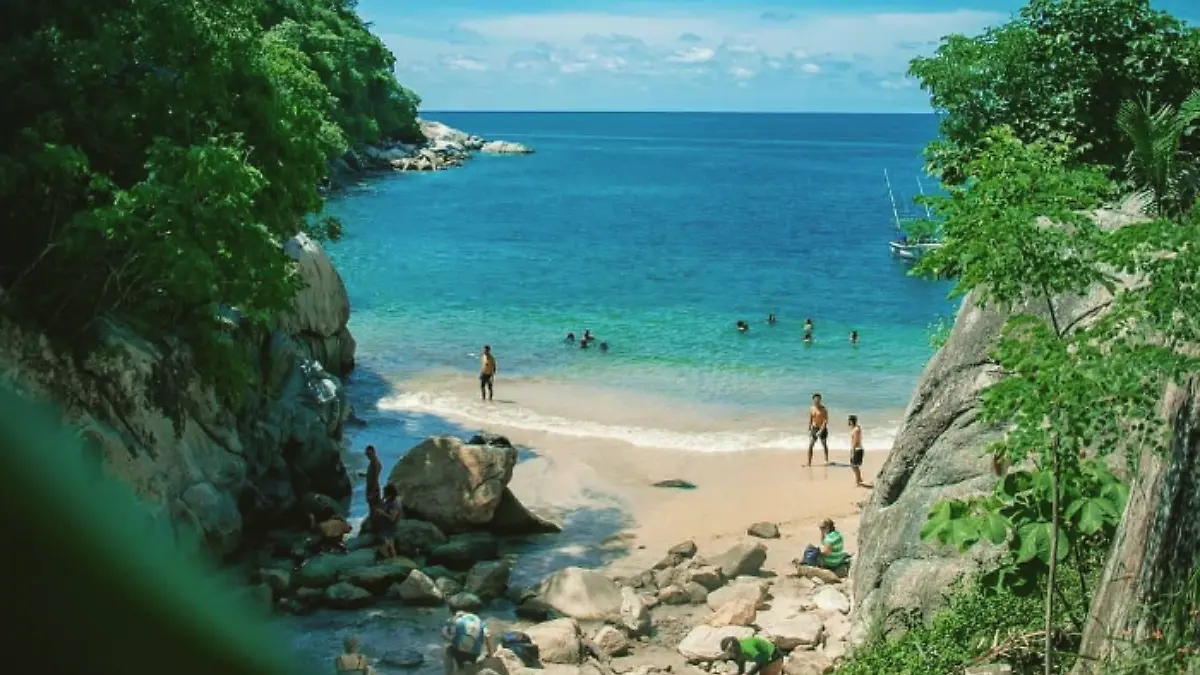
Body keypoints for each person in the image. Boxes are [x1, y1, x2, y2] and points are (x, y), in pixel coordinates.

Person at [442, 611, 495, 675]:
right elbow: (487, 636)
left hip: (459, 652)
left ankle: (450, 672)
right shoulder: (478, 620)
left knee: (447, 649)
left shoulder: (454, 621)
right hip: (475, 653)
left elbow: (445, 635)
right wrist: (490, 654)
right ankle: (472, 666)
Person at [719, 636, 783, 675]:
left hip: (774, 658)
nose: (729, 656)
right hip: (765, 660)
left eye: (730, 652)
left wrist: (749, 673)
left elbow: (761, 663)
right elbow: (741, 671)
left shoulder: (748, 649)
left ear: (735, 648)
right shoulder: (738, 654)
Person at [375, 485, 403, 559]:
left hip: (389, 528)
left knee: (387, 545)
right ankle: (393, 559)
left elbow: (392, 518)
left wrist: (382, 513)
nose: (384, 494)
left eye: (385, 493)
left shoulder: (394, 504)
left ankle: (390, 559)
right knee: (390, 545)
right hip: (385, 528)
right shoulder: (388, 501)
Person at [807, 393, 830, 466]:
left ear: (820, 400)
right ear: (813, 400)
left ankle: (826, 459)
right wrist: (809, 428)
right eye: (815, 399)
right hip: (814, 428)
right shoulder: (811, 408)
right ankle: (809, 462)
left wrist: (821, 431)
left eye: (818, 399)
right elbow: (811, 418)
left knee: (824, 444)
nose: (817, 400)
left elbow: (825, 421)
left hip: (822, 428)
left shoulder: (823, 409)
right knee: (811, 445)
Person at [848, 415, 865, 487]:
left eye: (849, 420)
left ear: (851, 421)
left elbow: (855, 441)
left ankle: (858, 481)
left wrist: (852, 451)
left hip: (857, 449)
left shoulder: (856, 430)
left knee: (854, 466)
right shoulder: (856, 428)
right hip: (858, 449)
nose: (848, 422)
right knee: (854, 466)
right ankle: (859, 479)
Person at [364, 445, 382, 511]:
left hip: (373, 488)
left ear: (374, 452)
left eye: (369, 454)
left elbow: (376, 477)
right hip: (371, 488)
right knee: (372, 507)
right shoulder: (372, 462)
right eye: (367, 454)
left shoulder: (375, 463)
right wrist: (365, 475)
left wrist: (372, 492)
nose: (368, 456)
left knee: (374, 508)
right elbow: (372, 475)